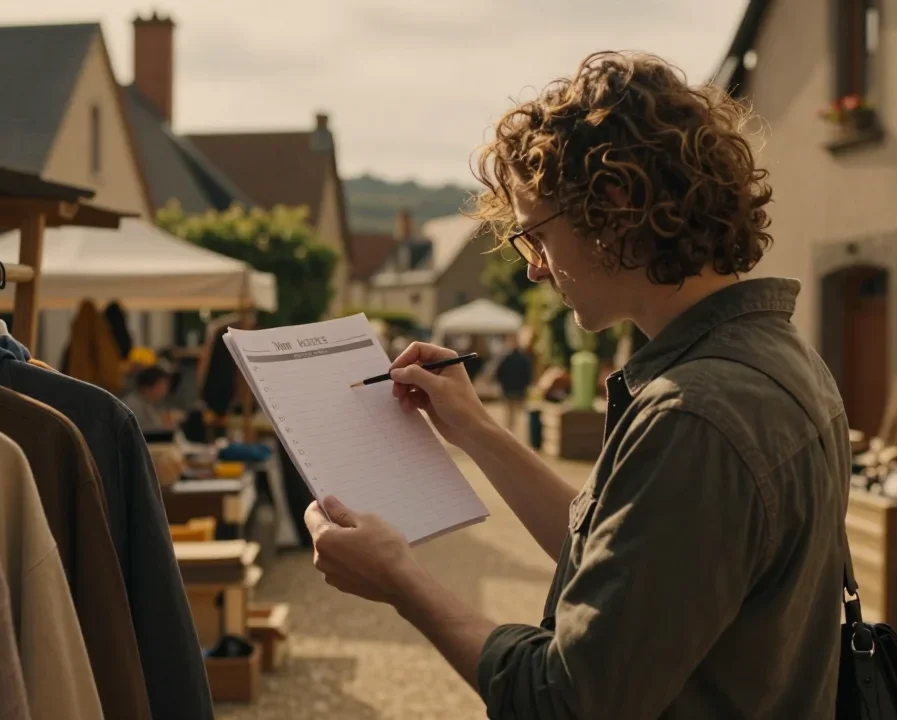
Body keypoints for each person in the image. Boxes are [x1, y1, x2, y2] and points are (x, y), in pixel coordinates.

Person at [303, 50, 850, 719]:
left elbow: (566, 702)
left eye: (536, 236)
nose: (534, 269)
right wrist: (475, 428)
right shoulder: (778, 357)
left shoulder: (694, 415)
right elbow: (626, 568)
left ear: (612, 206)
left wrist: (401, 581)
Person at [121, 365, 182, 433]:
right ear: (146, 388)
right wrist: (165, 426)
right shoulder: (133, 405)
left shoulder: (147, 401)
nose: (164, 390)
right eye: (161, 386)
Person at [494, 334, 533, 435]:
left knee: (510, 414)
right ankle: (516, 433)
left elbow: (498, 373)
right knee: (519, 413)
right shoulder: (523, 358)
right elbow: (528, 374)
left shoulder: (506, 358)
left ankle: (510, 432)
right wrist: (525, 385)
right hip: (519, 390)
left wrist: (503, 385)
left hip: (509, 390)